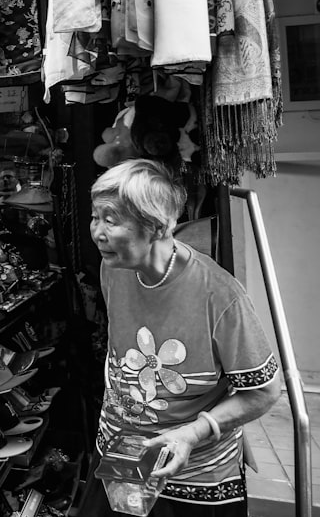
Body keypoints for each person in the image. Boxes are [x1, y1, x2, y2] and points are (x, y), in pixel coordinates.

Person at [84, 159, 279, 516]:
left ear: (156, 227)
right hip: (119, 454)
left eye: (110, 220)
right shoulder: (114, 267)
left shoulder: (220, 296)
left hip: (195, 475)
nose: (97, 232)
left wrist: (192, 434)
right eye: (96, 217)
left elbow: (264, 393)